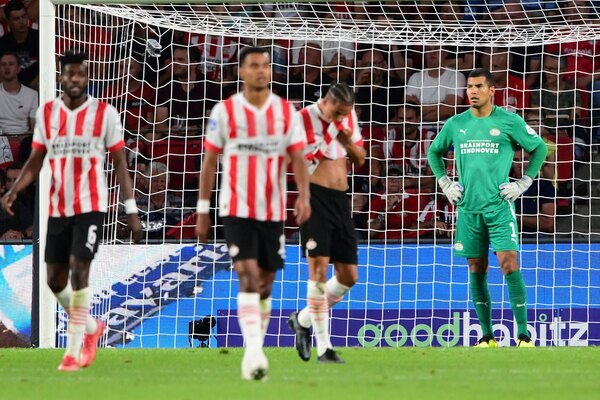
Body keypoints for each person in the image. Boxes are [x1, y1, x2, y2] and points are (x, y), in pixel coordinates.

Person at [0, 51, 142, 370]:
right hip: (58, 205)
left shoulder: (104, 113)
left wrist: (130, 210)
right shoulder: (49, 112)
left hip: (91, 204)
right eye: (70, 74)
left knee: (80, 269)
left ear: (87, 77)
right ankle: (92, 327)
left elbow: (120, 162)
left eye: (81, 74)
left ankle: (75, 349)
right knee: (54, 280)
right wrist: (14, 190)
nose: (75, 79)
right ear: (61, 77)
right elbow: (36, 159)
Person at [195, 46, 311, 381]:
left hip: (272, 212)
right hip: (235, 209)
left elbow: (298, 158)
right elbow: (210, 162)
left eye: (265, 65)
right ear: (241, 72)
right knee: (246, 275)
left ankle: (255, 344)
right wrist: (203, 210)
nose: (261, 71)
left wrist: (304, 197)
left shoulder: (285, 111)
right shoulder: (226, 111)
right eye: (254, 66)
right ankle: (254, 351)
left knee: (265, 282)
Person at [427, 68, 548, 348]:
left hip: (499, 206)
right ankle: (486, 336)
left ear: (491, 90)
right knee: (476, 269)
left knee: (509, 264)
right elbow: (434, 152)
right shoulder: (456, 124)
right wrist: (445, 182)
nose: (472, 91)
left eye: (479, 86)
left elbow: (539, 148)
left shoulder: (509, 121)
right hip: (468, 209)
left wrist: (524, 182)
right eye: (469, 86)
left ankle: (523, 335)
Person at [288, 82, 366, 363]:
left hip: (339, 201)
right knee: (318, 271)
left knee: (349, 276)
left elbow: (360, 160)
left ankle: (303, 319)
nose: (341, 117)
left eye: (346, 112)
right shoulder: (303, 119)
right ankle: (325, 348)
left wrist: (345, 139)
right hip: (314, 199)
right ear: (326, 102)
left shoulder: (348, 117)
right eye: (337, 112)